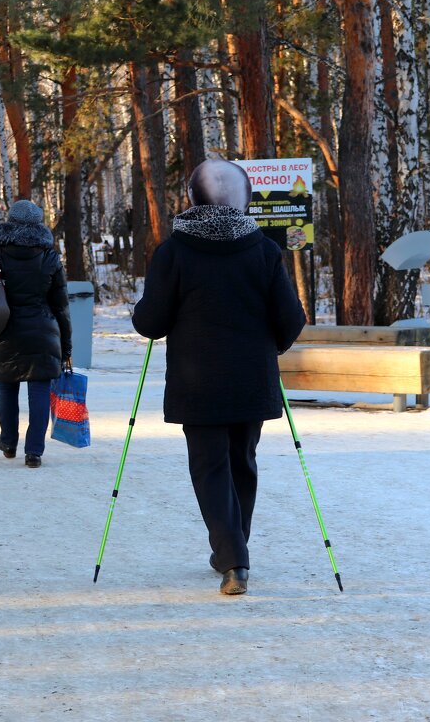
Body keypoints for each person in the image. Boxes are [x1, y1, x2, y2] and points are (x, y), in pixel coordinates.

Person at [131, 159, 306, 596]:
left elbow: (150, 323)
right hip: (252, 378)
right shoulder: (264, 249)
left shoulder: (173, 252)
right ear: (244, 197)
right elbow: (292, 318)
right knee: (242, 462)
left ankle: (232, 557)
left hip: (198, 381)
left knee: (211, 467)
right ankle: (233, 550)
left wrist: (149, 312)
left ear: (194, 197)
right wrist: (272, 345)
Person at [0, 199, 72, 469]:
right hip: (43, 331)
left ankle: (9, 442)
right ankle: (34, 451)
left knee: (8, 386)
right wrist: (66, 345)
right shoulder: (49, 256)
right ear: (38, 224)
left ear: (11, 222)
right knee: (39, 389)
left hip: (4, 330)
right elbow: (61, 304)